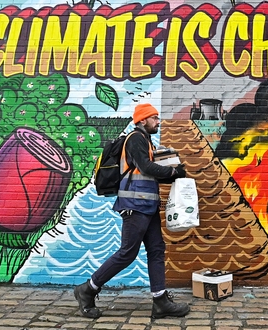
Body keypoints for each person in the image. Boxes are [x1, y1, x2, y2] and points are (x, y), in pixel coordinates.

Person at [74, 103, 190, 319]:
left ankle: (160, 301)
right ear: (143, 120)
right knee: (127, 253)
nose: (158, 121)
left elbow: (148, 173)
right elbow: (146, 167)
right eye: (154, 118)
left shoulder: (145, 140)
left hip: (148, 205)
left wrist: (173, 173)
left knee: (156, 250)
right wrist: (173, 171)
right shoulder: (136, 138)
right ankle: (87, 289)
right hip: (135, 206)